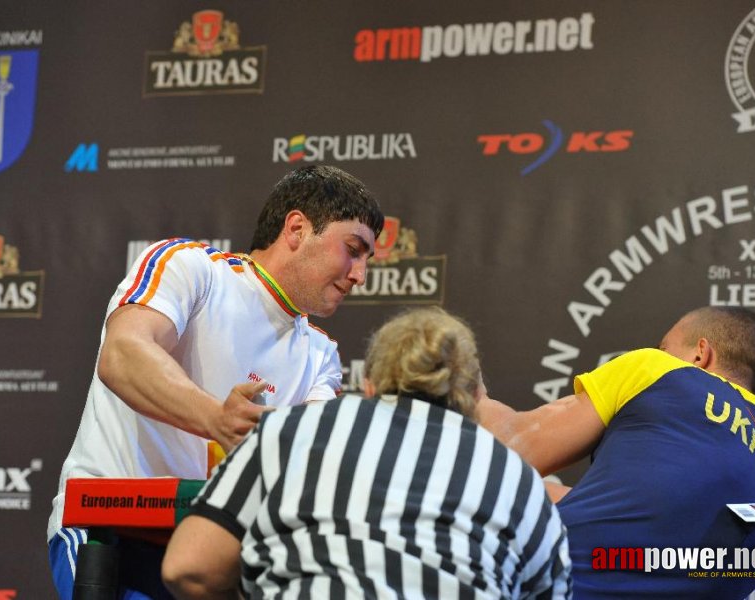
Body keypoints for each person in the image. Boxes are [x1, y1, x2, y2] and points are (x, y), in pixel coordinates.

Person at [47, 165, 384, 599]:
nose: (359, 274)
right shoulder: (190, 268)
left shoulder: (321, 355)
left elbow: (307, 462)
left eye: (366, 260)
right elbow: (122, 355)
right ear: (297, 228)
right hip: (110, 532)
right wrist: (216, 418)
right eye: (353, 249)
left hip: (219, 554)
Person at [162, 307, 572, 599]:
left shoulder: (291, 431)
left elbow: (190, 568)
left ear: (371, 385)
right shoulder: (516, 479)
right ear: (473, 397)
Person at [477, 306, 755, 598]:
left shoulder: (663, 372)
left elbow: (512, 444)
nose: (659, 354)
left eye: (665, 348)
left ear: (700, 354)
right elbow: (643, 530)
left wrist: (465, 384)